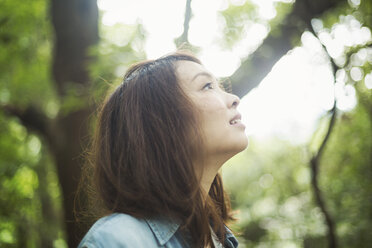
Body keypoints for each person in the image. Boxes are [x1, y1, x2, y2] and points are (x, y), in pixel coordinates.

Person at [78, 51, 248, 248]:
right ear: (160, 123)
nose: (234, 98)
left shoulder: (220, 241)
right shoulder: (114, 240)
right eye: (207, 86)